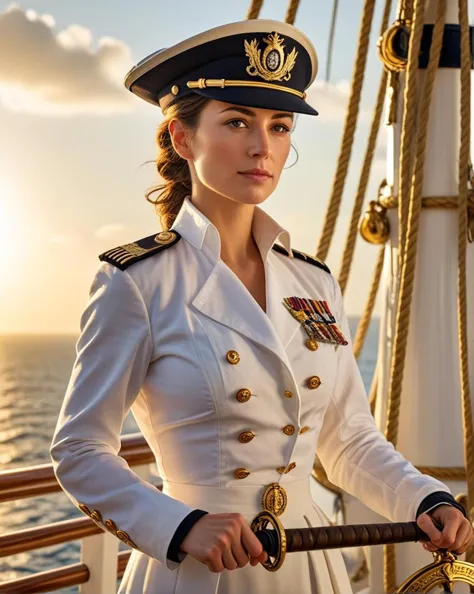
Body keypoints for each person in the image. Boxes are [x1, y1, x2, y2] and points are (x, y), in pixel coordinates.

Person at [49, 18, 473, 594]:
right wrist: (179, 526)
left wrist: (424, 495)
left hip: (307, 560)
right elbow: (79, 449)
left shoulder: (312, 280)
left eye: (279, 126)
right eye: (236, 122)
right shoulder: (140, 281)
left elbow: (347, 437)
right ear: (181, 138)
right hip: (198, 568)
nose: (262, 147)